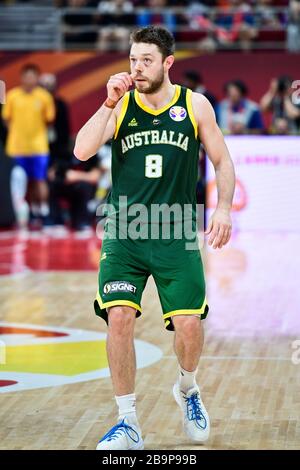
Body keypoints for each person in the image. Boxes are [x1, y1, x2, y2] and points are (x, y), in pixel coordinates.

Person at [74, 25, 235, 450]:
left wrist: (221, 209)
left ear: (167, 63)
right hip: (125, 233)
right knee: (120, 319)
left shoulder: (195, 105)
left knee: (188, 324)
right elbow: (82, 151)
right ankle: (127, 422)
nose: (137, 68)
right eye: (132, 60)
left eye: (146, 60)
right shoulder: (121, 105)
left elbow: (222, 161)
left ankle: (187, 388)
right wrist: (108, 102)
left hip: (176, 232)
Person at [1, 64, 55, 228]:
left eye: (33, 76)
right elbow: (5, 118)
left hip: (38, 147)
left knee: (39, 180)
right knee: (20, 183)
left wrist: (35, 133)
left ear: (37, 78)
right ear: (22, 77)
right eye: (27, 76)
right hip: (16, 148)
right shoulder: (12, 96)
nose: (29, 79)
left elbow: (49, 120)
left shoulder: (44, 97)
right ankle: (25, 214)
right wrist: (17, 132)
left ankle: (44, 213)